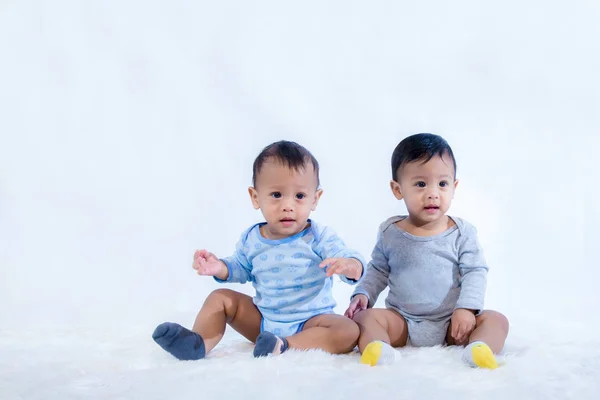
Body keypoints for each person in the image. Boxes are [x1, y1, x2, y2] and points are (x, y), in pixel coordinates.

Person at [153, 140, 365, 360]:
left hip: (312, 323)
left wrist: (350, 265)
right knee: (220, 298)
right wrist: (220, 267)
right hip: (263, 322)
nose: (288, 205)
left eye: (299, 196)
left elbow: (348, 257)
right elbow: (240, 267)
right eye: (276, 195)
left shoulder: (319, 237)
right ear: (256, 198)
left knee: (348, 330)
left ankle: (284, 345)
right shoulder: (252, 238)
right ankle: (198, 343)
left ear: (315, 199)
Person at [345, 133, 509, 369]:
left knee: (497, 320)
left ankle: (478, 348)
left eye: (442, 184)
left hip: (453, 323)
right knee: (365, 318)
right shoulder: (390, 232)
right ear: (397, 189)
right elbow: (378, 270)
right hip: (402, 322)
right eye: (421, 184)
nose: (433, 193)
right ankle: (378, 348)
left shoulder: (462, 233)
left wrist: (466, 309)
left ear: (454, 187)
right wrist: (363, 295)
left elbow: (475, 272)